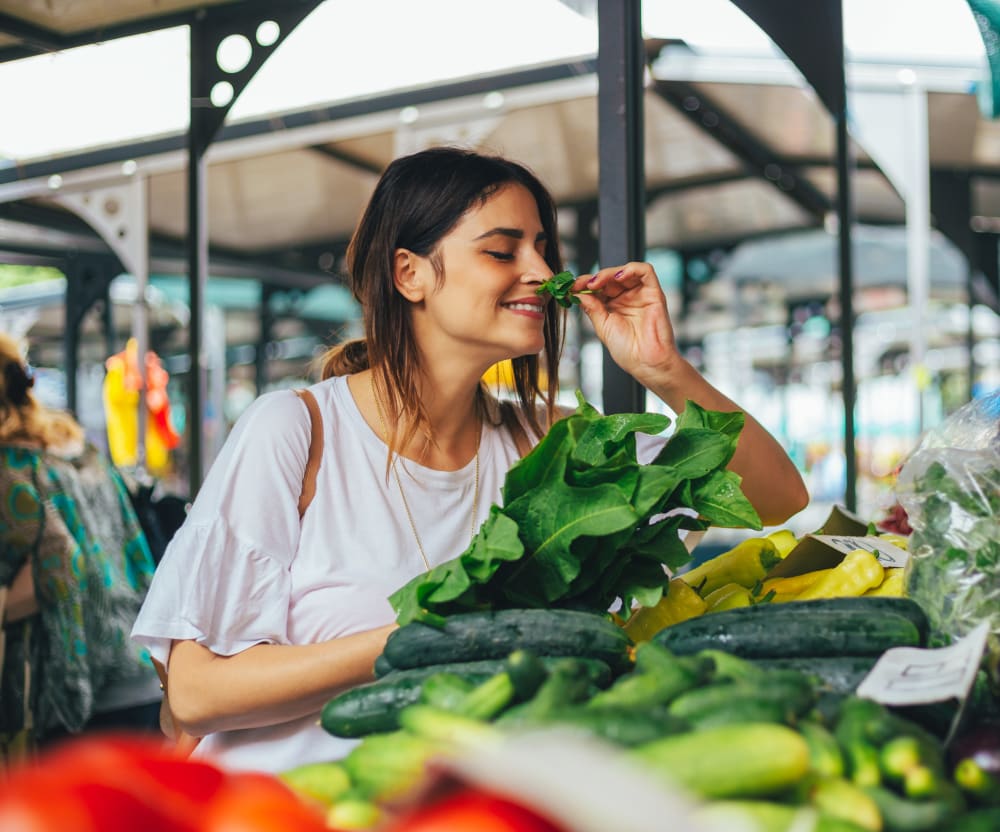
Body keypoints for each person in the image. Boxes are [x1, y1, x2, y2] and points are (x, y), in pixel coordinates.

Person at [132, 146, 809, 773]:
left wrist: (661, 367)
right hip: (277, 824)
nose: (542, 274)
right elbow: (194, 695)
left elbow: (778, 495)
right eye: (501, 251)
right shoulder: (296, 430)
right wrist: (426, 634)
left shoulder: (547, 447)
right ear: (411, 273)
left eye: (542, 249)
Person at [0, 333, 162, 758]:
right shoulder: (72, 445)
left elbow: (59, 564)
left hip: (80, 696)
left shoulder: (11, 463)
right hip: (141, 668)